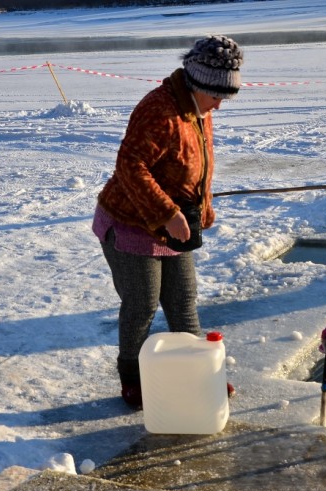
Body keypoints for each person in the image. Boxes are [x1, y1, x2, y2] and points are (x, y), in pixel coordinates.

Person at [92, 35, 243, 408]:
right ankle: (134, 380)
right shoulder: (158, 110)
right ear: (199, 84)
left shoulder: (198, 110)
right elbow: (130, 166)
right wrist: (168, 213)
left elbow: (196, 164)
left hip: (173, 225)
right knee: (142, 304)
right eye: (217, 97)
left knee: (183, 302)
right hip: (130, 223)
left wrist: (200, 208)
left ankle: (198, 374)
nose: (220, 106)